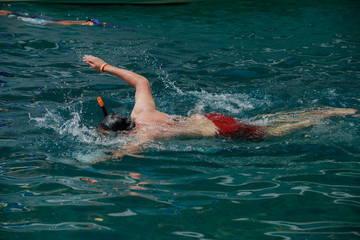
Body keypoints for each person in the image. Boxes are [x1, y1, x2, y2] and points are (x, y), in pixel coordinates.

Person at [83, 55, 357, 158]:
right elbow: (141, 81)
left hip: (221, 132)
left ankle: (323, 117)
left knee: (278, 130)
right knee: (268, 120)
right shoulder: (141, 113)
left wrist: (91, 163)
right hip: (211, 118)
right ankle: (327, 111)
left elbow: (123, 160)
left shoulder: (141, 137)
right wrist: (104, 67)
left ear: (124, 133)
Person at [0, 10, 134, 29]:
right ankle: (88, 22)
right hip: (25, 17)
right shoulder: (11, 13)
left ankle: (88, 22)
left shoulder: (12, 14)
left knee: (62, 22)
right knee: (61, 22)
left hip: (29, 19)